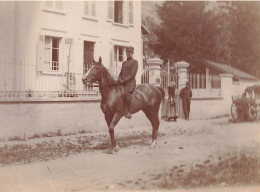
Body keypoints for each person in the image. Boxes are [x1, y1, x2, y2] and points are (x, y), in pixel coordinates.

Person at [117, 46, 138, 119]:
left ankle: (128, 112)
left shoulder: (135, 62)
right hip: (123, 82)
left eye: (130, 52)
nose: (128, 53)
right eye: (127, 52)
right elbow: (121, 73)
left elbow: (132, 75)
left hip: (131, 83)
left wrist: (124, 80)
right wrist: (119, 78)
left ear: (132, 53)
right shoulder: (124, 63)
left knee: (126, 94)